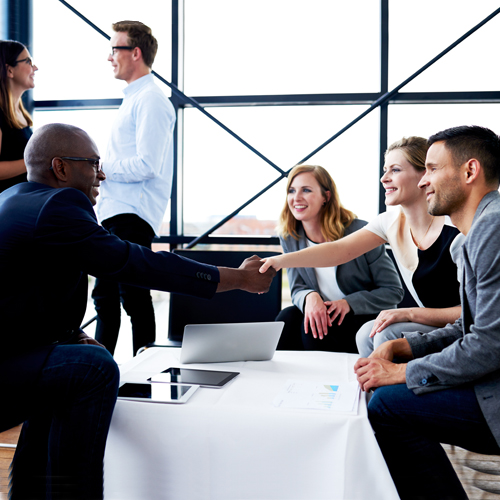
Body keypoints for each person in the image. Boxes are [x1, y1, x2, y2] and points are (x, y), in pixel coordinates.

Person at [0, 123, 275, 499]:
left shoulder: (16, 199)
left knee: (74, 365)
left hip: (11, 356)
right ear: (61, 167)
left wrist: (70, 335)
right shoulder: (58, 206)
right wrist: (239, 279)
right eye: (93, 163)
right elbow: (136, 263)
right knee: (92, 369)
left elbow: (21, 298)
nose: (102, 174)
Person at [354, 125, 500, 500]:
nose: (423, 182)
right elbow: (469, 328)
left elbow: (488, 345)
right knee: (386, 395)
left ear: (469, 172)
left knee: (386, 406)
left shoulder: (492, 229)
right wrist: (403, 348)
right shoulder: (474, 235)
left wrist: (401, 372)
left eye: (432, 169)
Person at [260, 137, 463, 357]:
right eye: (385, 170)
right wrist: (278, 261)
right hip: (429, 321)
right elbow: (337, 251)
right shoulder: (388, 222)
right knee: (294, 320)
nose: (384, 178)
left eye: (394, 170)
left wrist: (409, 313)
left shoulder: (458, 232)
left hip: (463, 324)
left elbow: (478, 313)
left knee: (368, 333)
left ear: (425, 175)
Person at [92, 20, 176, 356]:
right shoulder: (135, 99)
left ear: (135, 52)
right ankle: (99, 373)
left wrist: (98, 168)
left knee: (132, 295)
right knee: (106, 296)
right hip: (117, 212)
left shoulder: (151, 100)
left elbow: (146, 165)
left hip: (131, 214)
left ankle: (142, 379)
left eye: (115, 48)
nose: (110, 56)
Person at [275, 164, 403, 353]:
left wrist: (348, 303)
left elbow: (393, 292)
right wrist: (310, 297)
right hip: (324, 315)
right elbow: (297, 289)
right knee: (287, 318)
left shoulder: (360, 232)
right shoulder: (290, 237)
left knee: (312, 329)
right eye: (291, 191)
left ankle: (324, 381)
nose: (296, 198)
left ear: (326, 197)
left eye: (306, 190)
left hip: (361, 317)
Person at [0, 40, 37, 193]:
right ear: (9, 71)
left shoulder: (20, 114)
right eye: (28, 61)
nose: (35, 68)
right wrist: (36, 161)